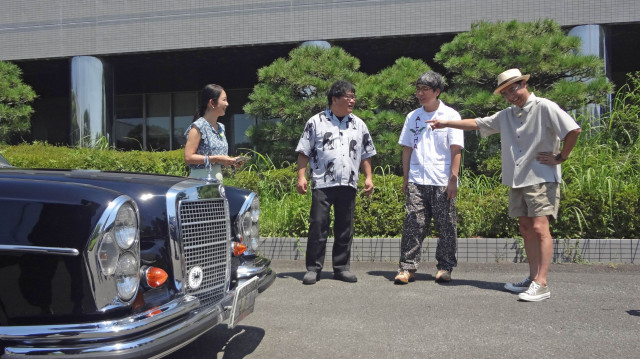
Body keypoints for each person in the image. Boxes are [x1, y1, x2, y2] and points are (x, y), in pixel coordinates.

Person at [427, 68, 582, 301]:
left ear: (524, 84)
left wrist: (561, 157)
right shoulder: (507, 115)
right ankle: (531, 279)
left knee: (541, 228)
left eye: (515, 88)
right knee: (526, 229)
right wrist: (445, 123)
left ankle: (542, 283)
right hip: (517, 179)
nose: (512, 95)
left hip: (541, 176)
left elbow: (573, 130)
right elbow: (477, 123)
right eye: (506, 92)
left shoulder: (545, 106)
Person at [295, 80, 376, 285]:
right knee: (318, 225)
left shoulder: (359, 124)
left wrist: (368, 177)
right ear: (334, 99)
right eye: (348, 96)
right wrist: (301, 176)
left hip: (348, 182)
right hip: (323, 182)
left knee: (345, 227)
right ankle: (313, 268)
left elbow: (366, 153)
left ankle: (341, 268)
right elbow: (304, 151)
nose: (352, 100)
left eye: (353, 96)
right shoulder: (315, 122)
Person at [394, 71, 464, 285]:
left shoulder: (451, 115)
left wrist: (453, 179)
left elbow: (456, 149)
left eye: (425, 89)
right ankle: (407, 268)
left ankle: (445, 267)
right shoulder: (412, 116)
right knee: (413, 223)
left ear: (437, 91)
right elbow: (407, 148)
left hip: (442, 180)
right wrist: (406, 178)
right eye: (418, 89)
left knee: (446, 225)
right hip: (417, 178)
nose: (420, 93)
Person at [184, 84, 246, 180]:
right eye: (224, 100)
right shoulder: (198, 127)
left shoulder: (221, 127)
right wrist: (217, 158)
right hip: (199, 182)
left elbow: (219, 158)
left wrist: (231, 161)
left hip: (217, 181)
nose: (227, 104)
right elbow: (188, 158)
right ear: (212, 103)